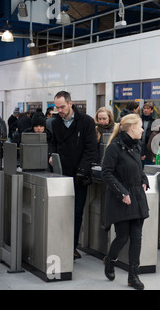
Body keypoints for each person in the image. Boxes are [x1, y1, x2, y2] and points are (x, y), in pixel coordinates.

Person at [101, 113, 149, 290]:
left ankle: (133, 276)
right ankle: (110, 260)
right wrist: (122, 192)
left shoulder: (136, 147)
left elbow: (138, 169)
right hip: (121, 199)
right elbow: (107, 172)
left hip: (137, 196)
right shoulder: (114, 147)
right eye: (141, 126)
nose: (143, 129)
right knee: (122, 237)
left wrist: (144, 180)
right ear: (132, 128)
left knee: (136, 238)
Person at [49, 91, 97, 260]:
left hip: (80, 176)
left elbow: (91, 149)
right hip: (60, 175)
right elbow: (53, 143)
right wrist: (51, 155)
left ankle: (72, 246)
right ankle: (60, 244)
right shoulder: (55, 123)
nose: (59, 110)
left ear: (70, 103)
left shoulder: (86, 122)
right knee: (60, 212)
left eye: (62, 106)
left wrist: (81, 171)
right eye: (57, 107)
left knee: (76, 213)